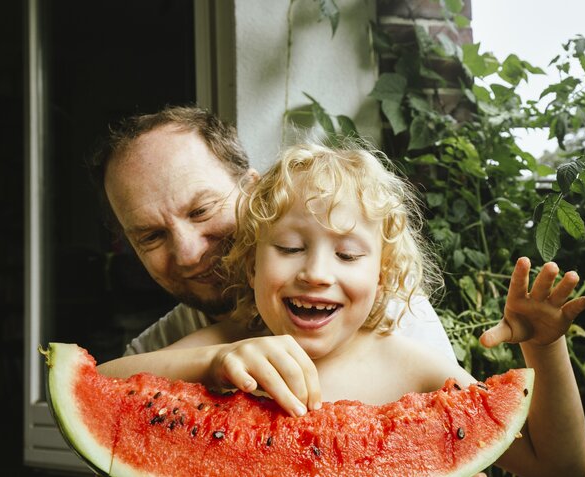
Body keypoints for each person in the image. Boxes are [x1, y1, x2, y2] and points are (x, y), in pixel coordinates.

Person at [104, 143, 585, 476]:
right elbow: (98, 386)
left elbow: (559, 468)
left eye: (348, 255)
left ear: (381, 276)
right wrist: (210, 363)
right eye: (290, 248)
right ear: (250, 266)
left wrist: (544, 348)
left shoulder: (410, 365)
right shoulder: (225, 346)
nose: (316, 272)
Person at [90, 106, 456, 362]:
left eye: (201, 211)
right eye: (151, 236)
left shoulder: (383, 311)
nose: (187, 253)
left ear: (254, 193)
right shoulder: (155, 353)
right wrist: (209, 362)